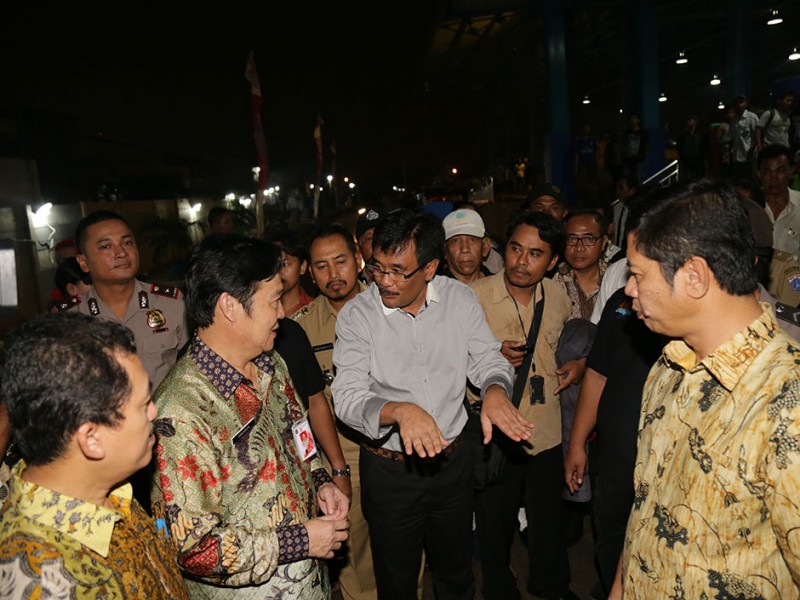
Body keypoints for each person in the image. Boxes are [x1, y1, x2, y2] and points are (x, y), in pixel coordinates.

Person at [609, 179, 800, 598]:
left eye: (637, 274)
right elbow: (647, 509)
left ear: (694, 277)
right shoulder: (669, 367)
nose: (628, 289)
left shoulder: (788, 404)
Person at [332, 209, 533, 599]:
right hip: (391, 472)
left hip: (451, 466)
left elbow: (488, 360)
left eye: (398, 271)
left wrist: (495, 389)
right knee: (397, 583)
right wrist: (399, 411)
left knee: (456, 574)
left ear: (430, 268)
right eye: (378, 268)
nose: (384, 281)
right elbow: (347, 396)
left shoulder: (460, 300)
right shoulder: (358, 315)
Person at [150, 234, 350, 598]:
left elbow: (300, 434)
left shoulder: (270, 363)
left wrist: (321, 480)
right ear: (230, 306)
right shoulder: (180, 414)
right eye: (273, 300)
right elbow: (192, 549)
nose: (282, 312)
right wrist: (300, 540)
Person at [0, 312, 188, 598]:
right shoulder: (42, 580)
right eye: (143, 405)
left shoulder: (106, 487)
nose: (154, 412)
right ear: (91, 439)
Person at [471, 210, 584, 600]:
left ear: (552, 262)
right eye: (516, 249)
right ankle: (500, 590)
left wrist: (578, 365)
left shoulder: (557, 296)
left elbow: (565, 345)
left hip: (545, 431)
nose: (522, 261)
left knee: (548, 520)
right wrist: (491, 355)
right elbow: (450, 359)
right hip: (496, 435)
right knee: (495, 526)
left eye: (536, 254)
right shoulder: (474, 298)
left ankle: (552, 587)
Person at [294, 222, 380, 600]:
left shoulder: (390, 307)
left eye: (340, 261)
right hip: (341, 452)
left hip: (395, 447)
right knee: (353, 549)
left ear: (358, 259)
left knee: (403, 542)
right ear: (310, 273)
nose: (333, 274)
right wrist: (333, 467)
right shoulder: (300, 328)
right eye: (321, 266)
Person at [67, 210, 189, 389]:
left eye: (127, 242)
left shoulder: (173, 305)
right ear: (83, 262)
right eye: (105, 246)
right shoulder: (69, 318)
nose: (121, 252)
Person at [555, 209, 609, 320]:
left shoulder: (617, 278)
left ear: (603, 242)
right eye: (571, 239)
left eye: (588, 239)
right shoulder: (551, 281)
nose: (579, 247)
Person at [757, 143, 800, 260]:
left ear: (791, 170)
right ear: (759, 174)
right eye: (767, 172)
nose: (774, 178)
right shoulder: (750, 208)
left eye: (780, 171)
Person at [266, 229, 316, 316]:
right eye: (273, 264)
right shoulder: (257, 309)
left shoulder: (315, 310)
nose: (278, 272)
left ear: (302, 267)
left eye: (285, 264)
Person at [440, 208, 492, 284]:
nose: (465, 249)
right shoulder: (433, 289)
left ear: (485, 247)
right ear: (445, 250)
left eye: (472, 239)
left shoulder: (500, 286)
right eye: (455, 241)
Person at [728, 95, 759, 179]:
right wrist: (729, 152)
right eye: (737, 103)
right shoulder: (733, 120)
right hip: (736, 156)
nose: (739, 105)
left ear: (746, 104)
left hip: (749, 155)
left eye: (741, 102)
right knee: (738, 180)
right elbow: (732, 137)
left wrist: (752, 149)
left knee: (749, 179)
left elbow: (757, 135)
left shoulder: (752, 117)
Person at [355, 207, 386, 283]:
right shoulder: (354, 286)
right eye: (370, 238)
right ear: (359, 246)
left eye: (381, 235)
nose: (376, 242)